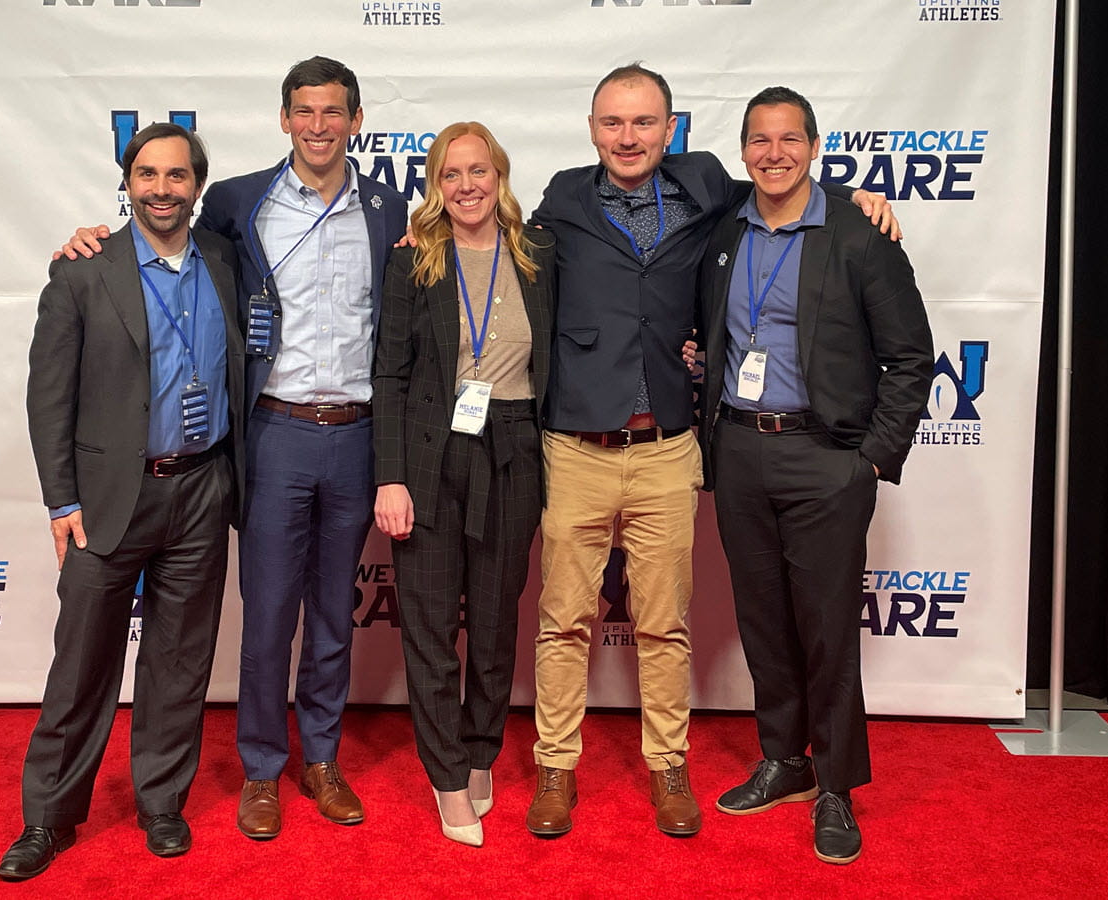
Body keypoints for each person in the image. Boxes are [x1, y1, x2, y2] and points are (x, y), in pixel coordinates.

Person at [523, 63, 897, 839]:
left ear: (671, 128)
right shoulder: (560, 199)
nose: (628, 138)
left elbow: (788, 187)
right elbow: (491, 245)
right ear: (593, 129)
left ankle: (670, 769)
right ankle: (555, 768)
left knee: (666, 624)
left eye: (644, 123)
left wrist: (859, 200)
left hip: (670, 445)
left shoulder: (709, 192)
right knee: (563, 621)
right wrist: (422, 231)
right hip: (578, 446)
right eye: (612, 123)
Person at [60, 57, 408, 841]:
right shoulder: (236, 202)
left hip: (355, 434)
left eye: (334, 113)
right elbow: (163, 255)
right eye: (304, 111)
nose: (319, 126)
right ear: (283, 118)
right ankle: (260, 769)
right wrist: (92, 239)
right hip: (274, 434)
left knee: (332, 614)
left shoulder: (388, 208)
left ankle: (320, 759)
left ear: (356, 122)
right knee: (269, 615)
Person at [0, 122, 246, 882]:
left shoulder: (225, 260)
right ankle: (47, 818)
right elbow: (50, 399)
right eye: (147, 174)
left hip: (202, 487)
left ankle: (161, 803)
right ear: (127, 182)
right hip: (109, 497)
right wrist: (60, 499)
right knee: (81, 665)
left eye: (177, 176)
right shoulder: (83, 270)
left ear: (197, 186)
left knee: (180, 660)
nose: (162, 189)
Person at [693, 86, 933, 865]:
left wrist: (868, 460)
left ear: (815, 146)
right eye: (759, 141)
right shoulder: (723, 229)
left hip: (825, 459)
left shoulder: (857, 234)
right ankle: (784, 759)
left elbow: (910, 357)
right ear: (742, 152)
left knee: (827, 629)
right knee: (764, 621)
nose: (774, 154)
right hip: (738, 449)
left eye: (788, 139)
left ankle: (835, 785)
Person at [371, 122, 555, 848]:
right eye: (451, 174)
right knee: (430, 628)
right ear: (435, 186)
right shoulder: (414, 262)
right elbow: (388, 375)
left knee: (496, 621)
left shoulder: (539, 255)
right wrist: (390, 477)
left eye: (479, 171)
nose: (467, 186)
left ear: (500, 177)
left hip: (515, 448)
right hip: (431, 453)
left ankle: (482, 752)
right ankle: (446, 775)